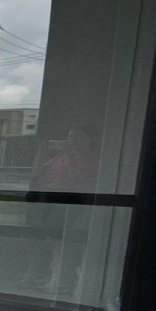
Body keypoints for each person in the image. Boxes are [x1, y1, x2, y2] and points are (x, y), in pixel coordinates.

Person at [18, 125, 100, 293]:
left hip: (70, 201)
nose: (72, 141)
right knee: (35, 234)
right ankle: (38, 273)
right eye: (70, 137)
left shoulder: (92, 159)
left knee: (58, 239)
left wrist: (69, 154)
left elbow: (75, 179)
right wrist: (42, 152)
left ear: (91, 140)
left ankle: (59, 279)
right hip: (49, 198)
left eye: (78, 137)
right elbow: (39, 174)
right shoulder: (61, 156)